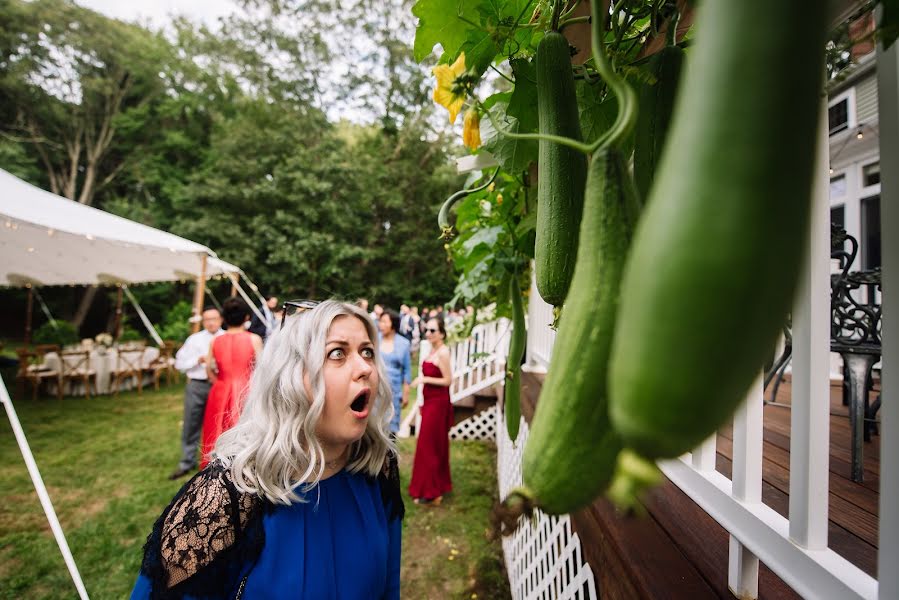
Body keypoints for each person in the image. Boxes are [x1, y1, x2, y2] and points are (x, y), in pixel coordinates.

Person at [131, 300, 403, 599]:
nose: (366, 368)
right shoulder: (228, 496)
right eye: (337, 353)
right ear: (290, 378)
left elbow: (388, 587)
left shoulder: (378, 465)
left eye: (367, 352)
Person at [200, 297, 263, 469]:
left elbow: (209, 369)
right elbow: (263, 369)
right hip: (246, 390)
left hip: (219, 390)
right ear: (247, 318)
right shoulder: (254, 339)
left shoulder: (215, 341)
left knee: (216, 429)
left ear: (224, 318)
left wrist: (219, 381)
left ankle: (215, 466)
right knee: (244, 430)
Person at [168, 307, 223, 480]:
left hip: (220, 385)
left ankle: (218, 462)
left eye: (214, 318)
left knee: (219, 423)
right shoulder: (194, 339)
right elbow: (179, 363)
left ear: (221, 319)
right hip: (198, 386)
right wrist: (197, 360)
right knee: (191, 423)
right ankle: (187, 461)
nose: (211, 322)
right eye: (207, 319)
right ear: (203, 322)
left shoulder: (227, 337)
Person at [408, 317, 453, 505]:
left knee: (430, 445)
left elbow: (448, 380)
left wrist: (424, 380)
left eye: (432, 331)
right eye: (427, 330)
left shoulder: (443, 353)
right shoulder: (431, 350)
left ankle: (432, 491)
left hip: (439, 403)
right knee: (429, 444)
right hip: (429, 402)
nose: (428, 333)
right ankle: (433, 487)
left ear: (441, 334)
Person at [378, 309, 411, 435]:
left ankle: (389, 454)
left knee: (390, 429)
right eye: (380, 321)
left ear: (393, 324)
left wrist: (406, 393)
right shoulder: (375, 339)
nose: (381, 325)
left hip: (394, 392)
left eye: (384, 322)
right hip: (375, 391)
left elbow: (407, 370)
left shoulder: (403, 343)